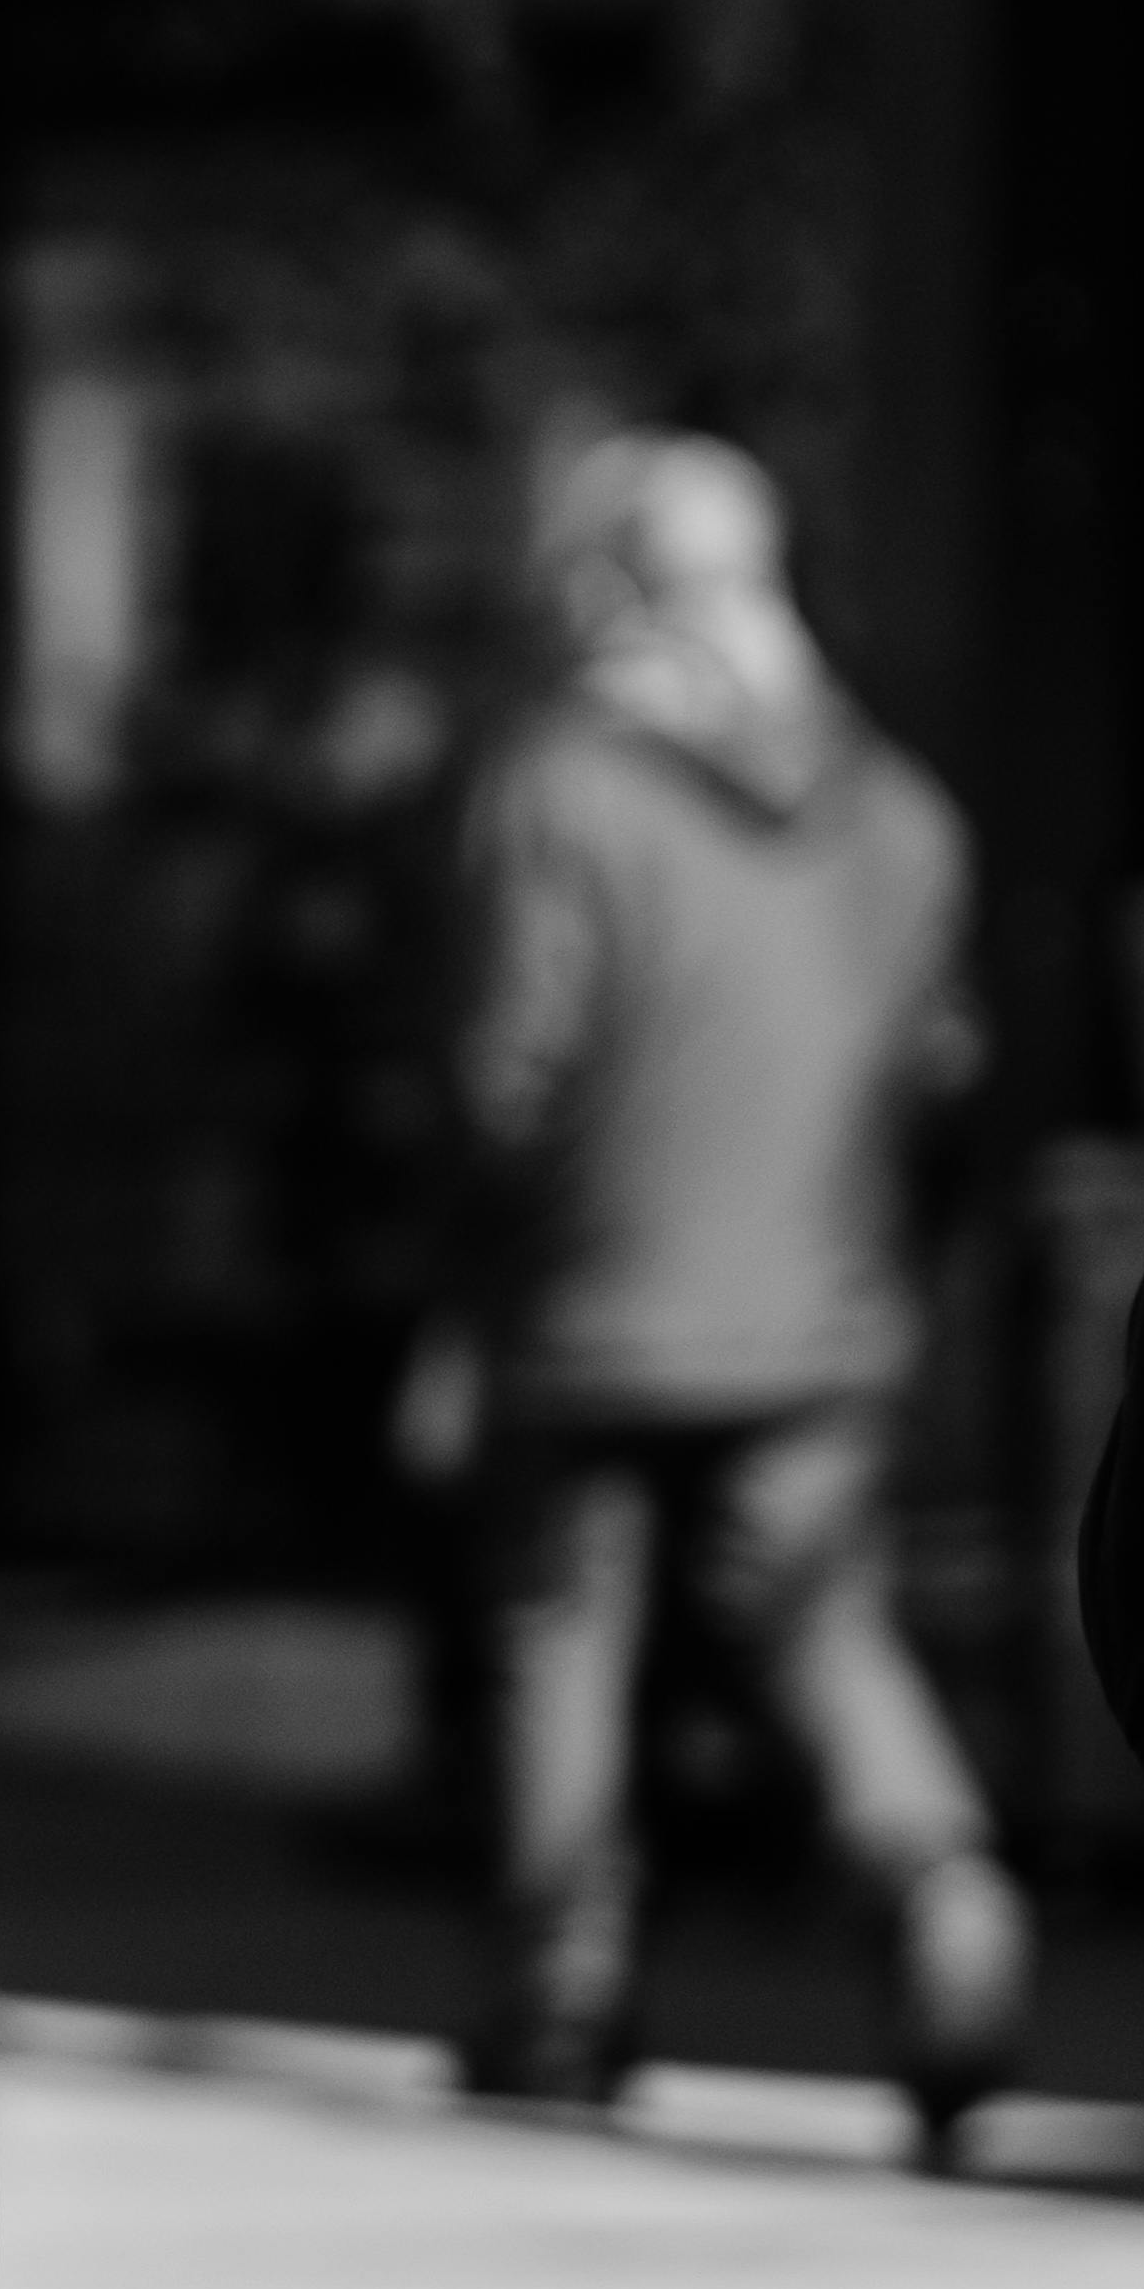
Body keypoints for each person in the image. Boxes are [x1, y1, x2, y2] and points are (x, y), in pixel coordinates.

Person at [448, 430, 1024, 2145]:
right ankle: (941, 1890)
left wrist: (469, 1267)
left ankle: (561, 1983)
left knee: (563, 1625)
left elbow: (507, 1076)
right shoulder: (898, 808)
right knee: (817, 1618)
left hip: (593, 1310)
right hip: (821, 1307)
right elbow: (943, 1066)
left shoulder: (559, 783)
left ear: (619, 584)